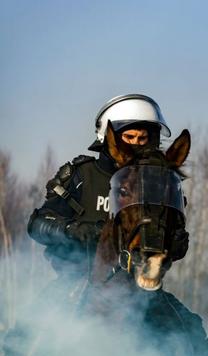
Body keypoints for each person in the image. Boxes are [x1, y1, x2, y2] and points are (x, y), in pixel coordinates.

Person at [27, 94, 189, 299]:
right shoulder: (82, 175)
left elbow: (177, 239)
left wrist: (175, 241)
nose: (136, 144)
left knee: (191, 327)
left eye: (142, 139)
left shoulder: (157, 185)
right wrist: (73, 230)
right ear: (109, 138)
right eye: (129, 137)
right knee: (28, 328)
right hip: (76, 282)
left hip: (141, 288)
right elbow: (36, 225)